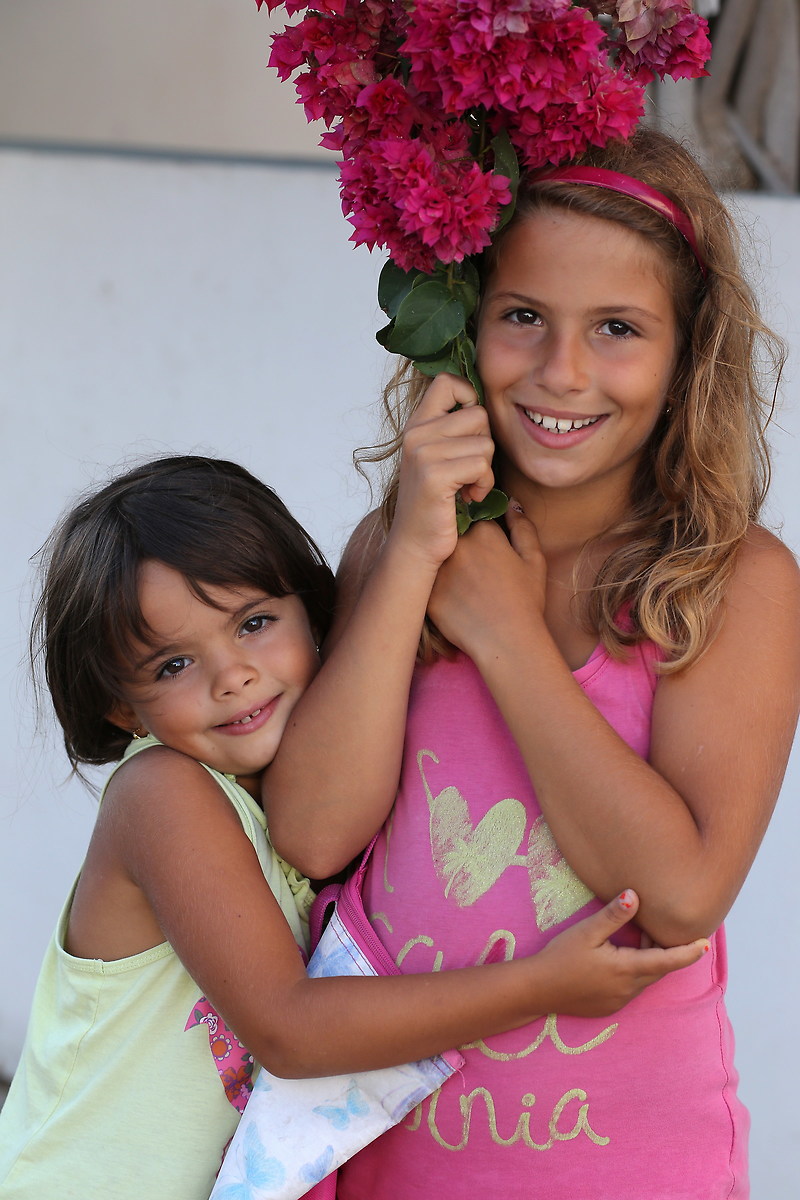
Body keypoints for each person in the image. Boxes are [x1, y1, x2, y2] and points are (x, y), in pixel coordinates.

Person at [263, 128, 800, 1199]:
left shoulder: (728, 581)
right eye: (522, 317)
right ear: (462, 332)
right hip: (387, 1164)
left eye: (617, 329)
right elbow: (315, 833)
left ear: (685, 355)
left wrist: (505, 636)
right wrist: (413, 554)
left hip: (630, 1172)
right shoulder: (393, 554)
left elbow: (678, 896)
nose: (563, 372)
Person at [0, 455, 702, 1200]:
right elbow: (291, 1030)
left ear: (313, 612)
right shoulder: (161, 793)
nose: (231, 676)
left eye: (254, 624)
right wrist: (543, 984)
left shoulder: (299, 795)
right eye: (173, 665)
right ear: (120, 707)